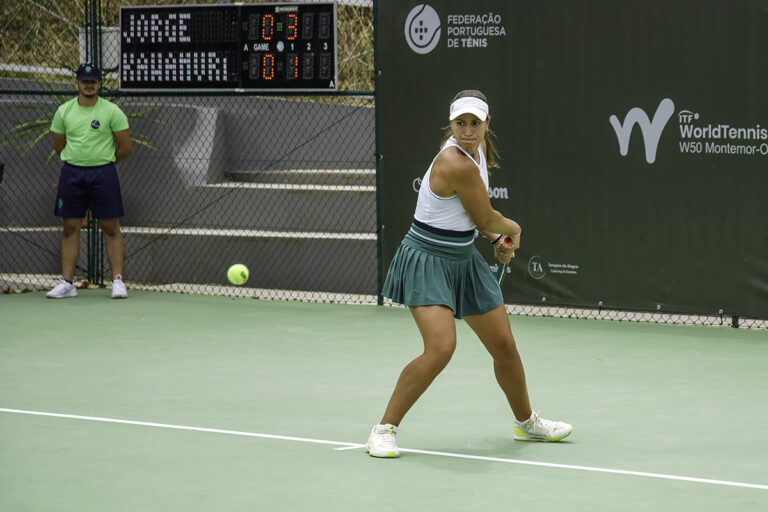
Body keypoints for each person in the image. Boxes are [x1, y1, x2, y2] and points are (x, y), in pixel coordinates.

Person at [366, 90, 572, 458]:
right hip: (427, 260)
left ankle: (527, 424)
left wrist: (496, 238)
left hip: (463, 259)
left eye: (475, 123)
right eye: (460, 123)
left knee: (505, 347)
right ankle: (384, 429)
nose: (467, 130)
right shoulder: (455, 162)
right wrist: (513, 231)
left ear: (487, 124)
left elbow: (472, 219)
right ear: (450, 125)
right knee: (442, 348)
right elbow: (487, 218)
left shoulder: (478, 153)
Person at [46, 63, 132, 299]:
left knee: (110, 228)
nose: (89, 84)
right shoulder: (64, 111)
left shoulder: (112, 111)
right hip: (72, 175)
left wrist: (104, 163)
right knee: (70, 228)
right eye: (85, 81)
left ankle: (117, 282)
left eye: (93, 80)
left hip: (103, 175)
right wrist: (79, 161)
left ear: (99, 84)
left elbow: (125, 147)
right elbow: (59, 146)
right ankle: (67, 283)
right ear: (77, 83)